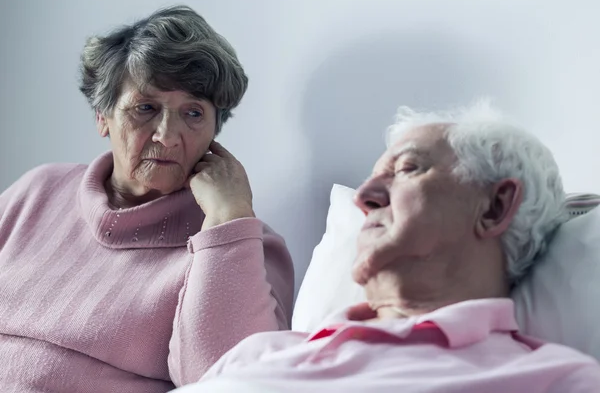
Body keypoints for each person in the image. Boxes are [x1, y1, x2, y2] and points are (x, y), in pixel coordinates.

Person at [173, 102, 600, 392]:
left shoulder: (556, 381)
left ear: (494, 207)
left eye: (407, 168)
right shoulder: (260, 352)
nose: (365, 196)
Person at [0, 5, 294, 392]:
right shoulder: (39, 191)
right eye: (146, 108)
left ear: (214, 132)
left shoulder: (243, 246)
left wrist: (228, 216)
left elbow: (230, 382)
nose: (168, 136)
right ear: (103, 116)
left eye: (193, 113)